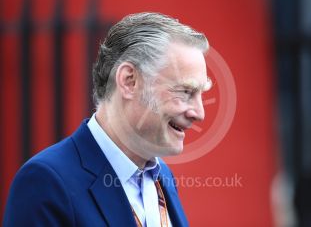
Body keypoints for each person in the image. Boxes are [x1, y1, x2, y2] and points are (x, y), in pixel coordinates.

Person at [3, 12, 211, 227]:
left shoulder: (161, 176)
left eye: (200, 94)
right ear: (129, 81)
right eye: (185, 91)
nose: (199, 113)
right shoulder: (47, 181)